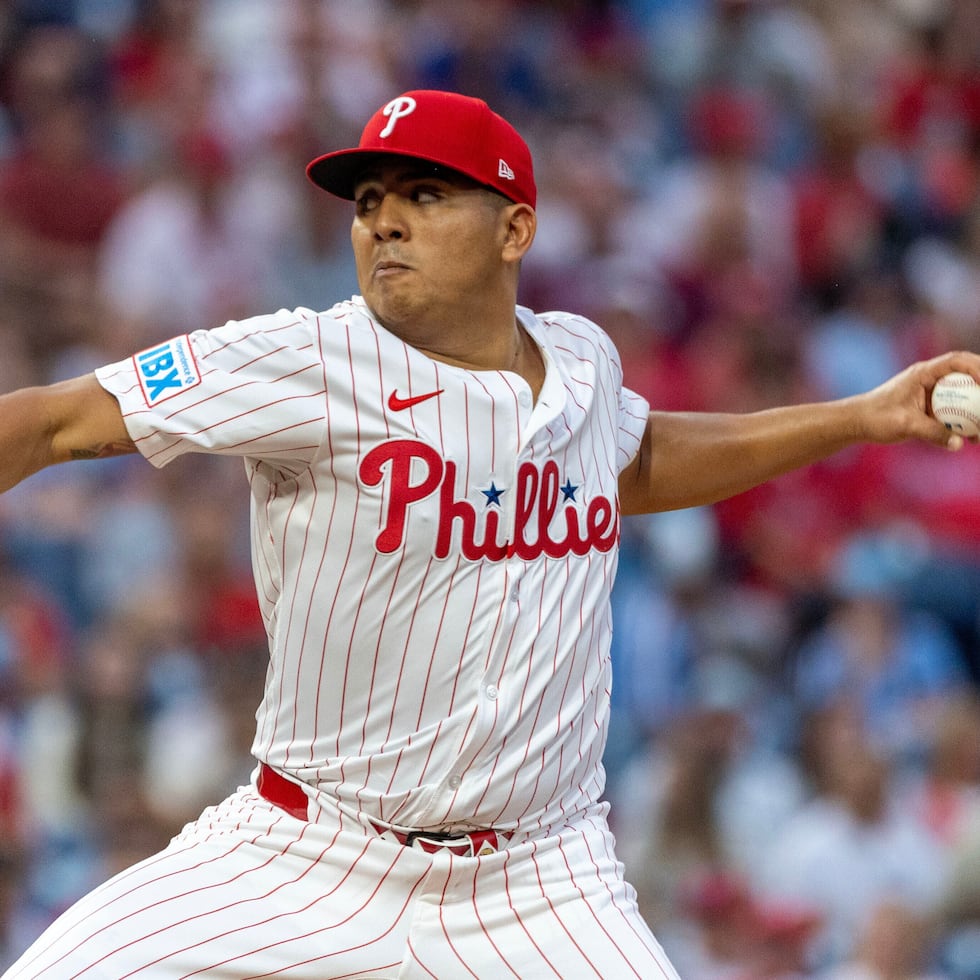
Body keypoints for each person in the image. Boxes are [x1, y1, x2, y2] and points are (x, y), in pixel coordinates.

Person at [0, 88, 977, 979]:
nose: (382, 216)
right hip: (307, 848)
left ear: (514, 228)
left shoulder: (584, 362)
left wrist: (859, 416)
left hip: (539, 879)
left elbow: (635, 462)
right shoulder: (306, 358)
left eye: (423, 193)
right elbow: (52, 420)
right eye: (368, 196)